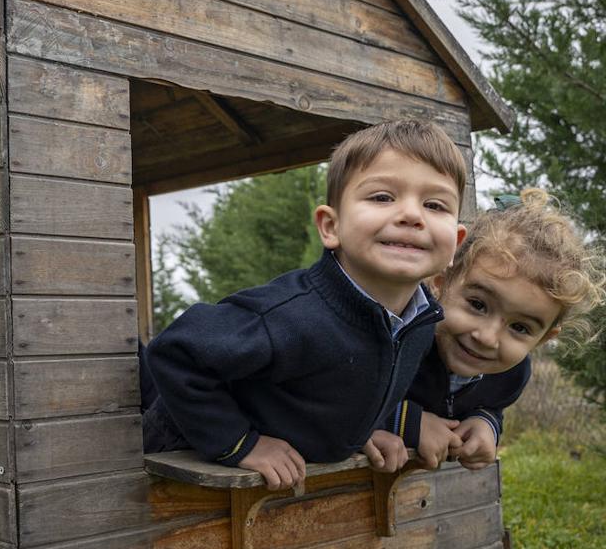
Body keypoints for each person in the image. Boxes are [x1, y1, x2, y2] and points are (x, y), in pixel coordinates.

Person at [142, 119, 468, 490]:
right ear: (331, 227)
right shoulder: (292, 314)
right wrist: (240, 444)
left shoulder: (420, 323)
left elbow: (339, 385)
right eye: (382, 197)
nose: (412, 215)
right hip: (181, 461)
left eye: (435, 204)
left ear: (456, 242)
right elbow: (176, 353)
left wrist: (361, 429)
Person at [370, 188, 606, 472]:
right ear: (441, 282)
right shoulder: (399, 337)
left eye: (520, 327)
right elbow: (338, 392)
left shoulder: (511, 374)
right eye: (478, 305)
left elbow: (491, 404)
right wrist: (407, 422)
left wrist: (485, 423)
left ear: (543, 339)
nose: (487, 337)